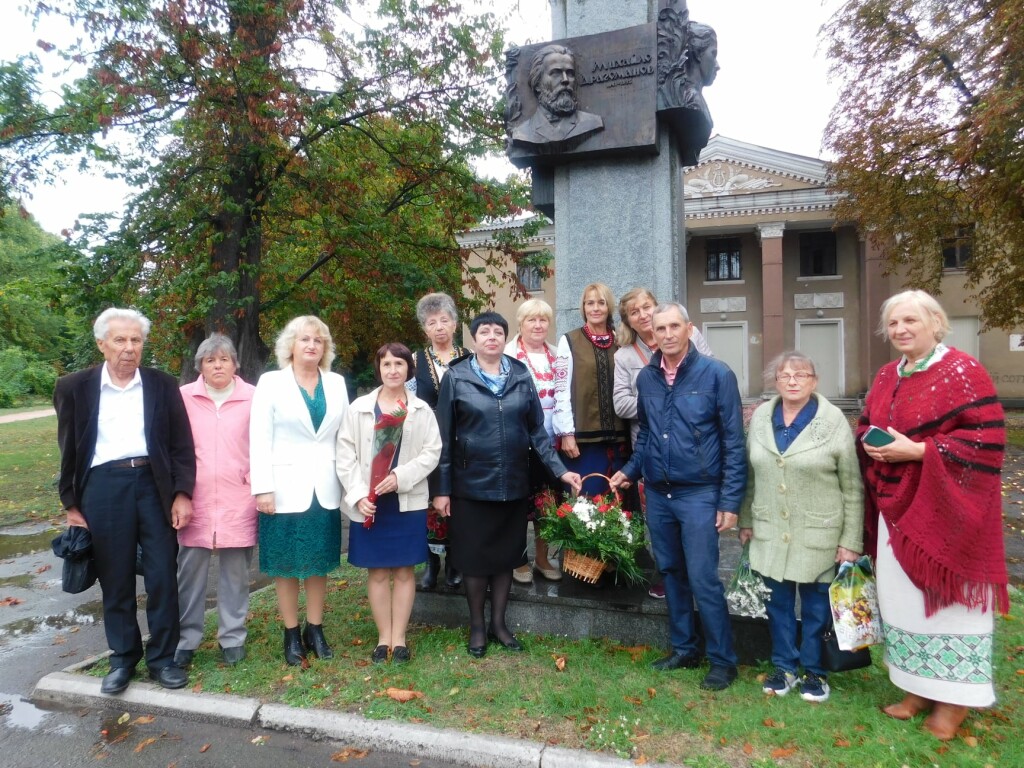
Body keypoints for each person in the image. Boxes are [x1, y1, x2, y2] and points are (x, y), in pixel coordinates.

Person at [858, 290, 1008, 740]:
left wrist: (920, 451)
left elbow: (988, 439)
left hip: (947, 512)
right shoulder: (887, 374)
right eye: (894, 324)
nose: (901, 330)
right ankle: (915, 688)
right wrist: (870, 438)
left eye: (910, 321)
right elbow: (868, 419)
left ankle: (955, 701)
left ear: (935, 322)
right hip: (895, 507)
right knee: (902, 600)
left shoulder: (962, 370)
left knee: (947, 603)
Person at [54, 308, 195, 694]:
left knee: (163, 575)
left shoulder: (162, 385)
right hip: (102, 487)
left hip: (154, 484)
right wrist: (71, 504)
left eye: (135, 340)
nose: (129, 348)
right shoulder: (74, 387)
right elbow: (68, 448)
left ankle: (164, 659)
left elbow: (182, 445)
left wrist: (182, 493)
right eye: (120, 340)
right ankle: (122, 658)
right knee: (114, 578)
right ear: (101, 344)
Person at [610, 302, 746, 691]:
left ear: (688, 329)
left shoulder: (716, 374)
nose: (667, 334)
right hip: (659, 492)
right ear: (651, 332)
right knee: (671, 573)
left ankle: (723, 660)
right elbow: (649, 434)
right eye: (660, 328)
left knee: (704, 578)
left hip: (701, 492)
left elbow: (734, 442)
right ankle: (685, 648)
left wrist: (730, 501)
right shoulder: (648, 378)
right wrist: (630, 471)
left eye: (674, 326)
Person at [433, 311, 582, 658]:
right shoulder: (456, 377)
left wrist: (561, 471)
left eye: (498, 332)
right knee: (474, 559)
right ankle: (477, 628)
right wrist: (441, 489)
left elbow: (537, 432)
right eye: (484, 332)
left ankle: (499, 624)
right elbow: (443, 438)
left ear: (505, 337)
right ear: (473, 339)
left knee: (505, 556)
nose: (491, 337)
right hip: (470, 484)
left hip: (514, 481)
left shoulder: (519, 373)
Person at [738, 352, 863, 703]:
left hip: (818, 532)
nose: (793, 381)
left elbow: (852, 486)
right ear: (775, 381)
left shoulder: (833, 420)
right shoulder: (762, 416)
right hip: (770, 529)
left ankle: (815, 671)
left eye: (801, 375)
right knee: (776, 605)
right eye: (785, 375)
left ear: (814, 381)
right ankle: (784, 667)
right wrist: (746, 519)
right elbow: (751, 474)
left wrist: (850, 540)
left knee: (815, 608)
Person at [250, 315, 349, 666]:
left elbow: (344, 438)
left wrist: (351, 483)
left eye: (318, 341)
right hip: (283, 489)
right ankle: (291, 633)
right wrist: (263, 488)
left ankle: (315, 628)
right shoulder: (271, 383)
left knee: (319, 562)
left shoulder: (336, 383)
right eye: (304, 339)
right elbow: (259, 438)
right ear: (290, 345)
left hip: (324, 489)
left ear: (325, 348)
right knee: (287, 564)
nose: (311, 346)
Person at [337, 343, 441, 664]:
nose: (393, 370)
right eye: (386, 364)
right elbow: (345, 455)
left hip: (405, 501)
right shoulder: (359, 408)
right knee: (379, 572)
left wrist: (401, 476)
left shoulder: (421, 410)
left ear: (408, 368)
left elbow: (431, 452)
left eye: (399, 364)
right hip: (371, 503)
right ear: (378, 368)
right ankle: (384, 638)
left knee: (405, 571)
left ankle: (400, 638)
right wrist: (358, 495)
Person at [612, 288, 711, 600]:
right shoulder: (625, 355)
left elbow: (709, 383)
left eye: (647, 307)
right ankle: (665, 571)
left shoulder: (691, 339)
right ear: (628, 320)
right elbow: (621, 404)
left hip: (691, 446)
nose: (642, 314)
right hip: (650, 444)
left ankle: (695, 576)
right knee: (658, 517)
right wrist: (658, 400)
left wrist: (674, 401)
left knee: (692, 519)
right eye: (634, 312)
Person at [174, 334, 257, 667]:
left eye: (224, 359)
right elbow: (173, 447)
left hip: (239, 496)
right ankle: (186, 639)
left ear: (235, 364)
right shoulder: (182, 398)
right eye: (210, 360)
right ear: (200, 366)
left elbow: (265, 445)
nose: (218, 365)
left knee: (236, 573)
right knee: (189, 573)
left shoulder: (254, 397)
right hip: (195, 499)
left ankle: (232, 637)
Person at [407, 292, 465, 591]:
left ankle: (455, 561)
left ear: (455, 324)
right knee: (430, 501)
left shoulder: (470, 356)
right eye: (432, 322)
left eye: (445, 320)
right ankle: (432, 564)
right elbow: (405, 399)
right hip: (427, 440)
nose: (439, 327)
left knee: (456, 500)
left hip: (462, 440)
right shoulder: (415, 360)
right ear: (425, 329)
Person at [504, 298, 562, 584]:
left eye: (543, 320)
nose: (538, 325)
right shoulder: (507, 356)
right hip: (517, 444)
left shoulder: (557, 355)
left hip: (551, 444)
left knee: (546, 504)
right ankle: (518, 559)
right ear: (520, 323)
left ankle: (542, 557)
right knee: (517, 504)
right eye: (531, 320)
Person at [553, 283, 629, 497]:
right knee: (588, 505)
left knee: (621, 507)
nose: (595, 308)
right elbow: (561, 390)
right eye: (590, 303)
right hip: (583, 442)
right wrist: (566, 433)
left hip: (620, 440)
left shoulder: (621, 340)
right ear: (583, 308)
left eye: (601, 303)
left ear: (609, 307)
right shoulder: (570, 340)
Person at [511, 44, 604, 148]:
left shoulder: (592, 123)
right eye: (556, 73)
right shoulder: (522, 133)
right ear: (537, 83)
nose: (565, 80)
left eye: (570, 73)